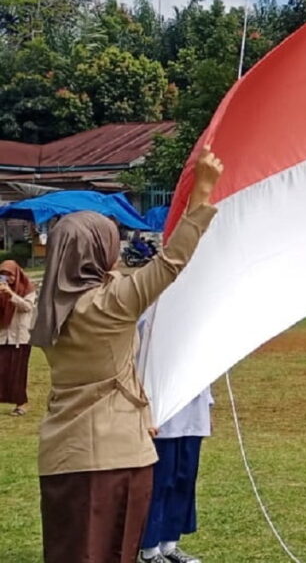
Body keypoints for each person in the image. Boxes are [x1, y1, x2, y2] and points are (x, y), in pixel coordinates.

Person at [30, 146, 223, 563]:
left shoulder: (49, 308)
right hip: (114, 456)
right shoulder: (107, 304)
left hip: (64, 454)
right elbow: (171, 262)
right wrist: (202, 193)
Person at [138, 388, 213, 563]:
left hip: (194, 415)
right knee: (161, 482)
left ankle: (169, 545)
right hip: (163, 416)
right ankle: (149, 549)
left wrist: (208, 405)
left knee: (184, 481)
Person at [0, 260, 36, 416]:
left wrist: (11, 295)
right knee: (2, 371)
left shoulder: (27, 288)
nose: (7, 278)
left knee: (18, 373)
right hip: (2, 337)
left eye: (10, 274)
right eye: (3, 274)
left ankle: (21, 404)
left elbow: (27, 307)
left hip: (19, 339)